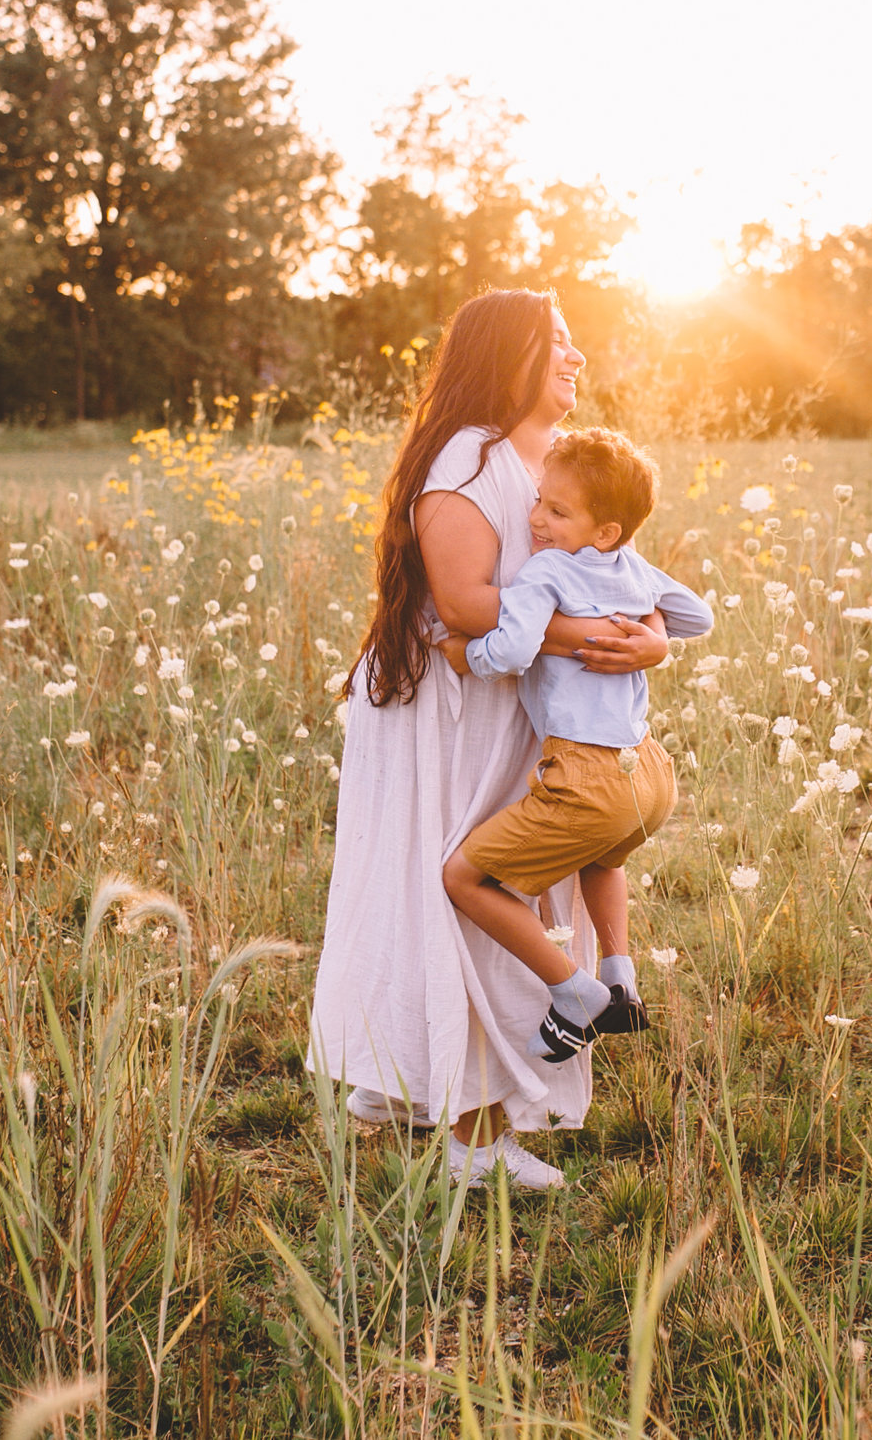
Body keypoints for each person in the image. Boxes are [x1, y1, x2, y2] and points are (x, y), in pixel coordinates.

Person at [307, 290, 670, 1191]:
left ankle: (419, 1083)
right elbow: (467, 604)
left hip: (508, 704)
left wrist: (651, 636)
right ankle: (470, 1135)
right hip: (448, 708)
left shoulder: (549, 456)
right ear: (507, 355)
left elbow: (619, 572)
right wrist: (590, 638)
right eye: (556, 343)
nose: (576, 357)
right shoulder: (466, 455)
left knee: (485, 883)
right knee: (463, 883)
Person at [433, 428, 711, 1064]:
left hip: (587, 776)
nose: (536, 519)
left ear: (606, 530)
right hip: (649, 773)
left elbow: (510, 650)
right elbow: (700, 616)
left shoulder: (546, 570)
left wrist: (461, 652)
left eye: (557, 512)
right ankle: (620, 976)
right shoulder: (634, 569)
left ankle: (574, 992)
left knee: (464, 877)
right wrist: (652, 632)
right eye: (539, 501)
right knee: (603, 861)